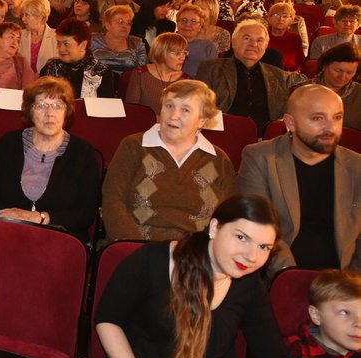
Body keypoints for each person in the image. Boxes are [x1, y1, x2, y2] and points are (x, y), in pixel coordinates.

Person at [91, 194, 332, 358]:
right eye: (241, 237)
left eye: (263, 247)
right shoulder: (150, 261)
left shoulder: (250, 286)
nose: (251, 256)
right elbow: (108, 321)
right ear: (215, 228)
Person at [237, 84, 361, 273]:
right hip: (282, 274)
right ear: (291, 123)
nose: (330, 127)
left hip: (342, 281)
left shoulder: (356, 166)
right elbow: (257, 226)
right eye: (318, 118)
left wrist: (348, 284)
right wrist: (290, 277)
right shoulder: (260, 158)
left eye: (337, 117)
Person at [102, 80, 236, 242]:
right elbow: (113, 202)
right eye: (169, 106)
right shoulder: (134, 147)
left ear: (202, 120)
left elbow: (228, 217)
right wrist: (134, 246)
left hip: (195, 253)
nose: (173, 116)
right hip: (138, 247)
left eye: (185, 110)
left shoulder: (218, 160)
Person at [0, 77, 101, 237]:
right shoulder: (8, 144)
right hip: (7, 231)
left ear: (67, 111)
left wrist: (41, 218)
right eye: (41, 105)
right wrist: (12, 218)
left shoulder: (83, 153)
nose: (49, 113)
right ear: (30, 110)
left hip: (58, 238)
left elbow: (85, 214)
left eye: (57, 106)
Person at [197, 19, 293, 135]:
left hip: (265, 142)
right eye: (247, 38)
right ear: (234, 42)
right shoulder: (211, 69)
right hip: (223, 138)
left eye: (260, 40)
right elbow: (201, 108)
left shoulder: (280, 77)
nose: (253, 44)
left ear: (266, 47)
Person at [124, 32, 191, 115]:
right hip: (144, 125)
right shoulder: (140, 74)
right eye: (177, 53)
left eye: (184, 53)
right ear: (162, 53)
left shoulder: (186, 80)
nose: (183, 57)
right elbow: (132, 109)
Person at [304, 42, 361, 130]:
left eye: (349, 73)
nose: (342, 77)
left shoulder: (358, 94)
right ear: (325, 66)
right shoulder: (302, 91)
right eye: (338, 70)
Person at [91, 5, 148, 74]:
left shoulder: (137, 42)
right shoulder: (93, 39)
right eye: (120, 22)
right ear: (107, 25)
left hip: (128, 83)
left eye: (128, 23)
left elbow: (142, 71)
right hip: (94, 82)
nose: (125, 26)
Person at [18, 0, 58, 76]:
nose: (23, 19)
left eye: (27, 15)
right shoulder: (19, 35)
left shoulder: (56, 37)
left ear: (40, 17)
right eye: (23, 15)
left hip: (47, 85)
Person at [174, 3, 218, 78]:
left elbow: (213, 74)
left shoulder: (207, 47)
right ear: (177, 23)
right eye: (183, 20)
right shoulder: (166, 42)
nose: (187, 24)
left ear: (200, 26)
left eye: (193, 21)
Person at [267, 1, 307, 71]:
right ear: (269, 18)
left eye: (285, 16)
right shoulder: (263, 37)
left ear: (292, 20)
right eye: (276, 15)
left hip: (290, 76)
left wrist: (294, 73)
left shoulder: (295, 38)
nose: (280, 19)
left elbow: (301, 63)